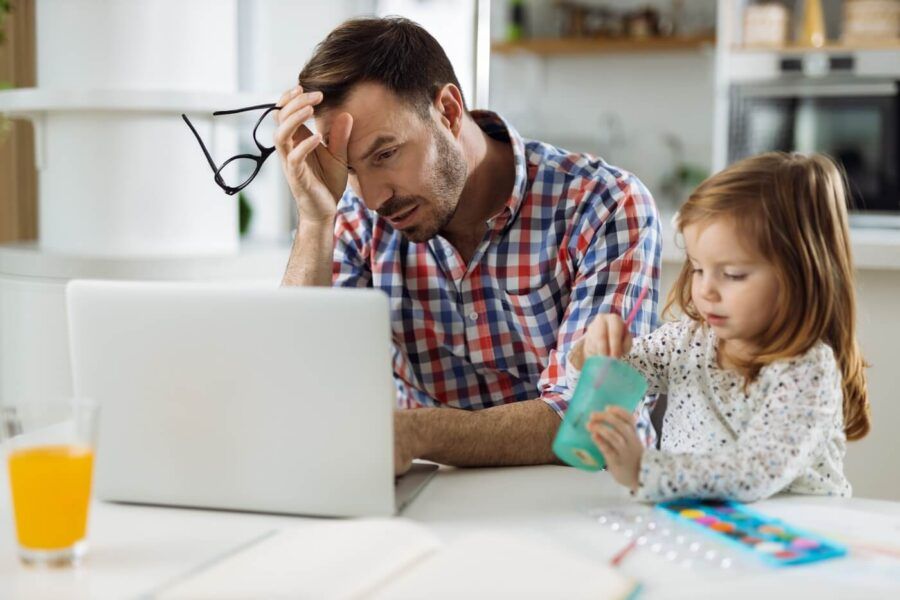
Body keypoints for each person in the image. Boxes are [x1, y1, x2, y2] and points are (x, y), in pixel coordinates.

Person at [274, 17, 661, 474]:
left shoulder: (602, 205)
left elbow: (589, 419)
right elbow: (295, 388)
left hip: (575, 496)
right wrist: (317, 221)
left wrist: (415, 431)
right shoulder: (357, 220)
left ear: (449, 112)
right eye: (352, 170)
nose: (375, 197)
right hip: (430, 500)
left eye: (385, 154)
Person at [568, 152, 870, 502]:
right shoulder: (687, 340)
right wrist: (593, 352)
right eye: (697, 268)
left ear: (801, 276)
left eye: (732, 275)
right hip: (708, 526)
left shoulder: (806, 369)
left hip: (799, 540)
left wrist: (644, 469)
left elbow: (754, 471)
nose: (706, 290)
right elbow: (618, 374)